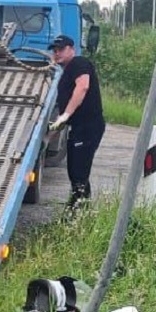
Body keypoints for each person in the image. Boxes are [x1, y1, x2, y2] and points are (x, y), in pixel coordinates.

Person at [48, 34, 106, 208]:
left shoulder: (79, 63)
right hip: (79, 127)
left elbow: (83, 86)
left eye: (61, 49)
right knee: (74, 170)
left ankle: (78, 209)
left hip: (89, 127)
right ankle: (78, 207)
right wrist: (48, 139)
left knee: (79, 171)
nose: (57, 53)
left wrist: (65, 115)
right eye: (55, 50)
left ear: (72, 49)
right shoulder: (66, 71)